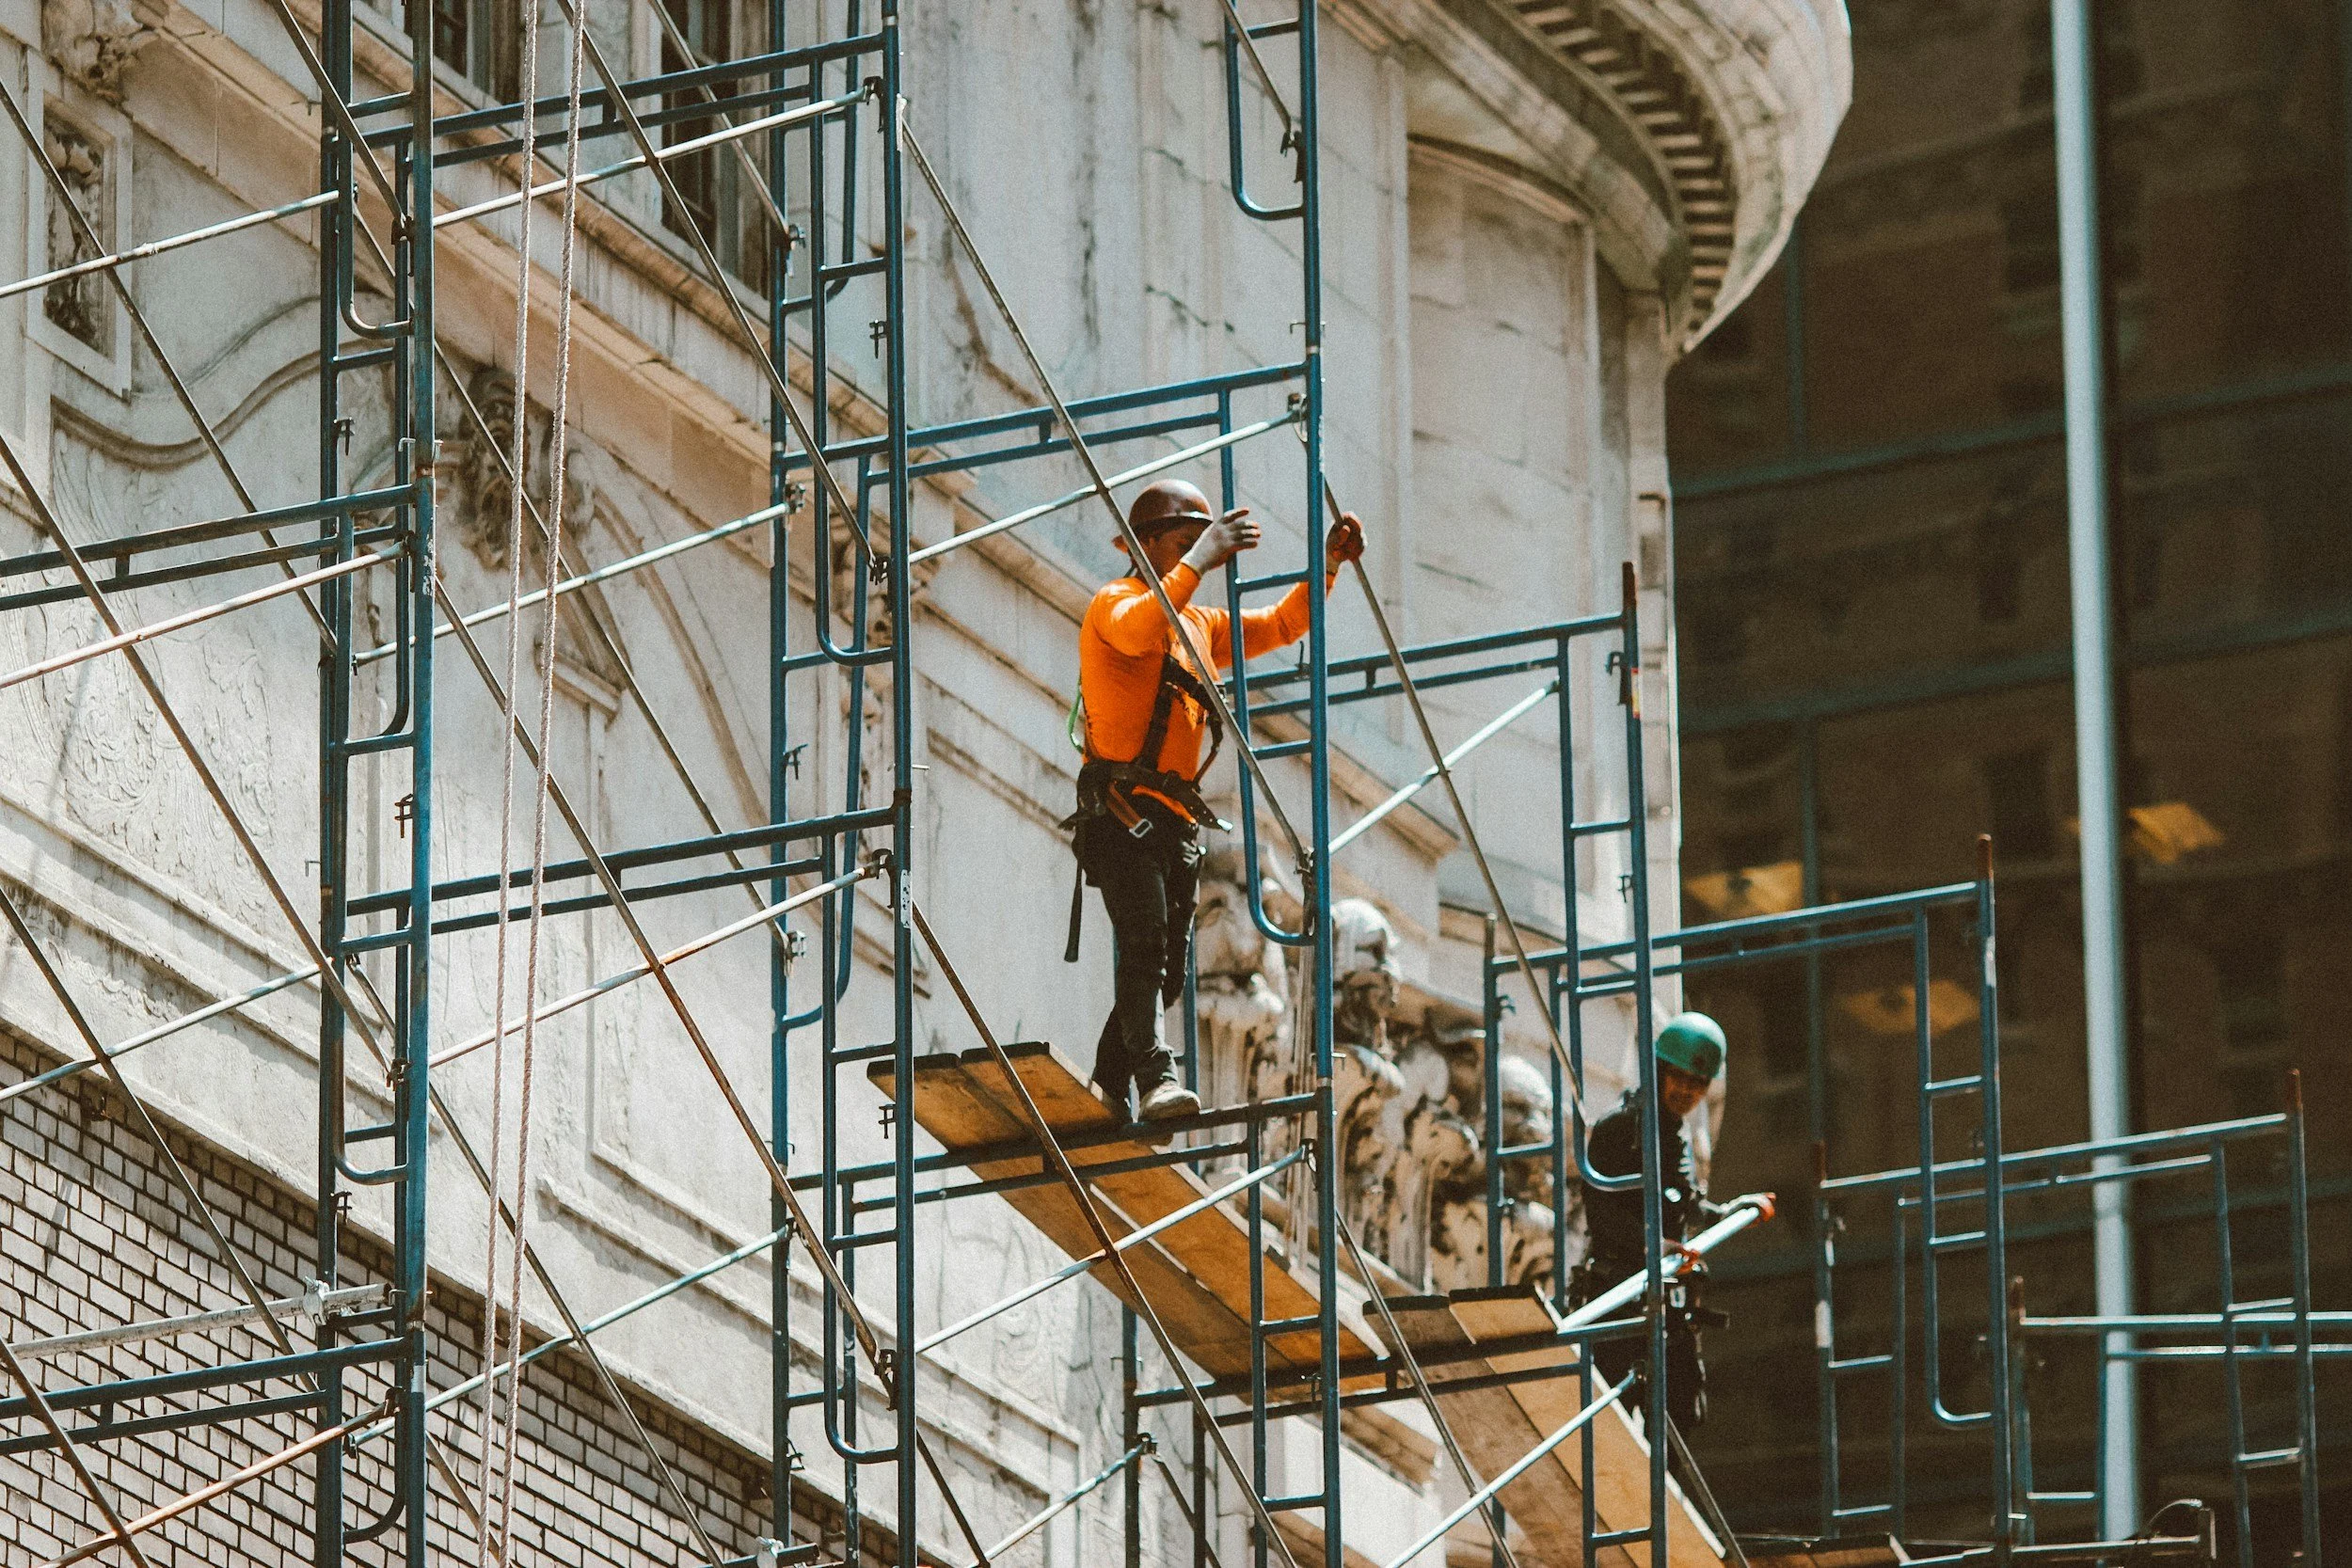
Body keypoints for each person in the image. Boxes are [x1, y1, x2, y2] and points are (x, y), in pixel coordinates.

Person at [1064, 479, 1364, 1125]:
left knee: (1168, 973)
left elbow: (1283, 625)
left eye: (1196, 545)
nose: (1195, 555)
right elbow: (1143, 630)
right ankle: (1156, 1079)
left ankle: (1107, 1081)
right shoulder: (1115, 604)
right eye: (1182, 542)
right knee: (1142, 942)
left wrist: (1329, 565)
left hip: (1171, 822)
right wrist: (1202, 558)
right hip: (1121, 814)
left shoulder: (1199, 624)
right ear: (1144, 545)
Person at [1570, 1011, 1733, 1433]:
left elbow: (1680, 1204)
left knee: (1678, 1417)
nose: (1687, 1091)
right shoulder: (1622, 1129)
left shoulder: (1673, 1134)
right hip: (1620, 1299)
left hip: (1664, 1304)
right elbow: (1601, 1212)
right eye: (1679, 1078)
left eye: (1697, 1084)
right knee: (1614, 1424)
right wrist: (1650, 1245)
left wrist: (1725, 1214)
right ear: (1661, 1070)